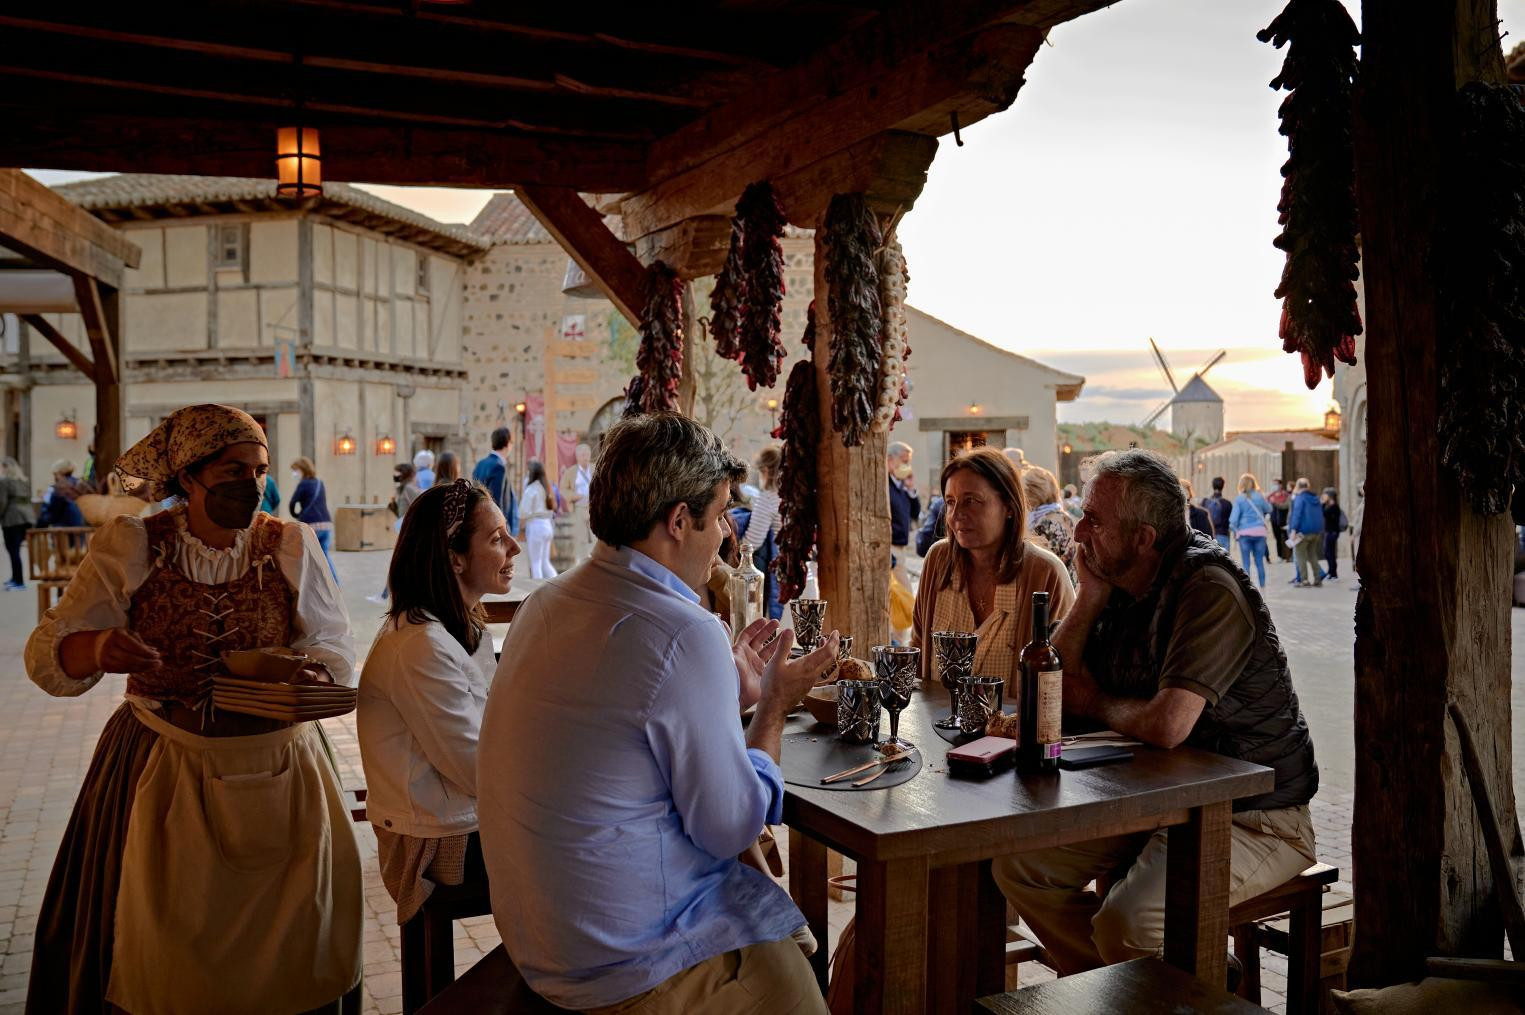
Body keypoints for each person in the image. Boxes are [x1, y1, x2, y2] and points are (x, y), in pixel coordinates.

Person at [478, 411, 839, 1012]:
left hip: (539, 937)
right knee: (796, 979)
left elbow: (624, 730)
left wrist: (724, 694)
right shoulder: (680, 631)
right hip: (624, 961)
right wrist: (773, 705)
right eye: (721, 513)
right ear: (678, 521)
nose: (727, 534)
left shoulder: (546, 603)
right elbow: (730, 828)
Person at [23, 403, 361, 1013]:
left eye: (259, 470)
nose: (252, 484)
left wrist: (309, 668)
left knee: (289, 938)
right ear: (189, 477)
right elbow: (49, 655)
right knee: (164, 942)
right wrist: (99, 645)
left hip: (278, 764)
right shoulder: (131, 545)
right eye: (234, 470)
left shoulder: (288, 544)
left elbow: (334, 645)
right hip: (162, 763)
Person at [993, 449, 1317, 976]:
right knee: (1019, 868)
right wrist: (1090, 597)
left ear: (1143, 538)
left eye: (1094, 521)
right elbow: (1049, 685)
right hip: (1159, 806)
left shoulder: (1208, 587)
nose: (1078, 535)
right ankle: (1141, 989)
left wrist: (1094, 701)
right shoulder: (1119, 586)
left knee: (1127, 925)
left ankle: (1179, 987)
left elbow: (1167, 726)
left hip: (1258, 816)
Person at [358, 478, 519, 926]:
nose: (515, 547)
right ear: (454, 558)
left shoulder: (454, 627)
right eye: (496, 538)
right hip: (436, 841)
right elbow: (477, 770)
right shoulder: (420, 646)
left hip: (462, 819)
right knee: (594, 847)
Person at [911, 447, 1074, 690]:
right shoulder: (938, 560)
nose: (956, 515)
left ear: (1009, 506)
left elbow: (1065, 677)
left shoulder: (1044, 574)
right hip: (934, 727)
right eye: (950, 502)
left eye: (972, 501)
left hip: (1014, 728)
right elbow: (917, 653)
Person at [741, 446, 784, 620]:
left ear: (765, 471)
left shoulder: (768, 498)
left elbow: (752, 543)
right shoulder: (790, 496)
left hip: (778, 577)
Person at [1022, 463, 1077, 584]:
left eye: (1023, 490)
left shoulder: (1048, 523)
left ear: (1034, 492)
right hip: (1061, 585)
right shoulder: (1058, 515)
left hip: (1054, 588)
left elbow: (1043, 565)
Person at [289, 455, 339, 582]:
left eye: (296, 470)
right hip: (326, 524)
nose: (294, 473)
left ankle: (307, 584)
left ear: (302, 469)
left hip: (311, 525)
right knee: (324, 555)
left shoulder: (303, 484)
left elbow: (293, 503)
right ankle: (334, 582)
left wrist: (297, 515)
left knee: (305, 556)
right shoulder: (319, 483)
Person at [472, 426, 519, 538]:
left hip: (480, 523)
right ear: (508, 444)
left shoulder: (480, 464)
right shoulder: (499, 467)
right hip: (495, 528)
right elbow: (497, 501)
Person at [1229, 473, 1272, 589]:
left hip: (1244, 533)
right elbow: (1269, 509)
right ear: (1253, 483)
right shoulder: (1259, 496)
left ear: (1241, 484)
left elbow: (1233, 520)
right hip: (1259, 532)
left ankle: (1248, 589)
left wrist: (1235, 530)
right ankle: (1263, 588)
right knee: (1259, 562)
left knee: (1246, 563)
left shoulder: (1239, 499)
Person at [887, 441, 920, 588]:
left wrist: (911, 489)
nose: (907, 465)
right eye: (904, 461)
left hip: (901, 547)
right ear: (890, 461)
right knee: (905, 594)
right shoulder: (885, 485)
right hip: (890, 547)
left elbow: (915, 513)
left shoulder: (902, 486)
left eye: (909, 462)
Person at [1, 457, 36, 590]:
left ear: (5, 467)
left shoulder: (5, 481)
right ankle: (15, 578)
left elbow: (2, 502)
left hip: (11, 519)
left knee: (13, 550)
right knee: (15, 550)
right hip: (26, 518)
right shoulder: (23, 481)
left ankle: (19, 581)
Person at [520, 459, 557, 579]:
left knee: (535, 563)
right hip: (547, 525)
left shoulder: (531, 489)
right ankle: (557, 587)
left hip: (536, 526)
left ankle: (535, 590)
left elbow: (523, 512)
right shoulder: (546, 488)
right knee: (545, 563)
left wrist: (519, 528)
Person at [560, 442, 596, 562]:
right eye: (583, 454)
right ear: (577, 457)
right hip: (579, 507)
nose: (586, 457)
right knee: (581, 538)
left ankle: (595, 561)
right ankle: (583, 562)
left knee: (596, 536)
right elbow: (563, 488)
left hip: (594, 507)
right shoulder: (571, 472)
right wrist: (574, 496)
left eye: (587, 454)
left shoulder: (595, 468)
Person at [1287, 477, 1325, 587]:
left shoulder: (1300, 498)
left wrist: (1293, 530)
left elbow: (1297, 515)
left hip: (1303, 532)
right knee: (1312, 555)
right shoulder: (1315, 498)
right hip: (1316, 532)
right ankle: (1318, 579)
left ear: (1298, 487)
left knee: (1300, 556)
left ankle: (1304, 580)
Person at [39, 459, 87, 529]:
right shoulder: (81, 485)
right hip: (81, 529)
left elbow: (48, 511)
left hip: (62, 531)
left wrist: (39, 525)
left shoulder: (55, 488)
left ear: (58, 473)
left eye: (54, 474)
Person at [1320, 487, 1346, 582]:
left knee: (1330, 554)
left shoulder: (1334, 507)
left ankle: (1334, 574)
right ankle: (1331, 572)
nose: (1323, 496)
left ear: (1330, 496)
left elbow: (1323, 514)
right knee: (1328, 553)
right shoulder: (1330, 506)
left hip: (1332, 533)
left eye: (1325, 494)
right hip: (1329, 532)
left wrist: (1322, 504)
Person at [1202, 477, 1233, 551]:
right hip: (1223, 534)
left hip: (1207, 536)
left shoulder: (1204, 502)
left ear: (1212, 486)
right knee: (1224, 561)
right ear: (1223, 486)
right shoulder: (1227, 504)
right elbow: (1230, 521)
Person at [1267, 478, 1292, 561]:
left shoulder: (1285, 495)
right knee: (1277, 539)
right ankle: (1279, 556)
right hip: (1274, 520)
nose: (1274, 486)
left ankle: (1291, 556)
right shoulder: (1270, 496)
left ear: (1280, 485)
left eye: (1276, 484)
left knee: (1287, 538)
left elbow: (1286, 506)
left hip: (1284, 520)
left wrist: (1275, 503)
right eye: (1273, 484)